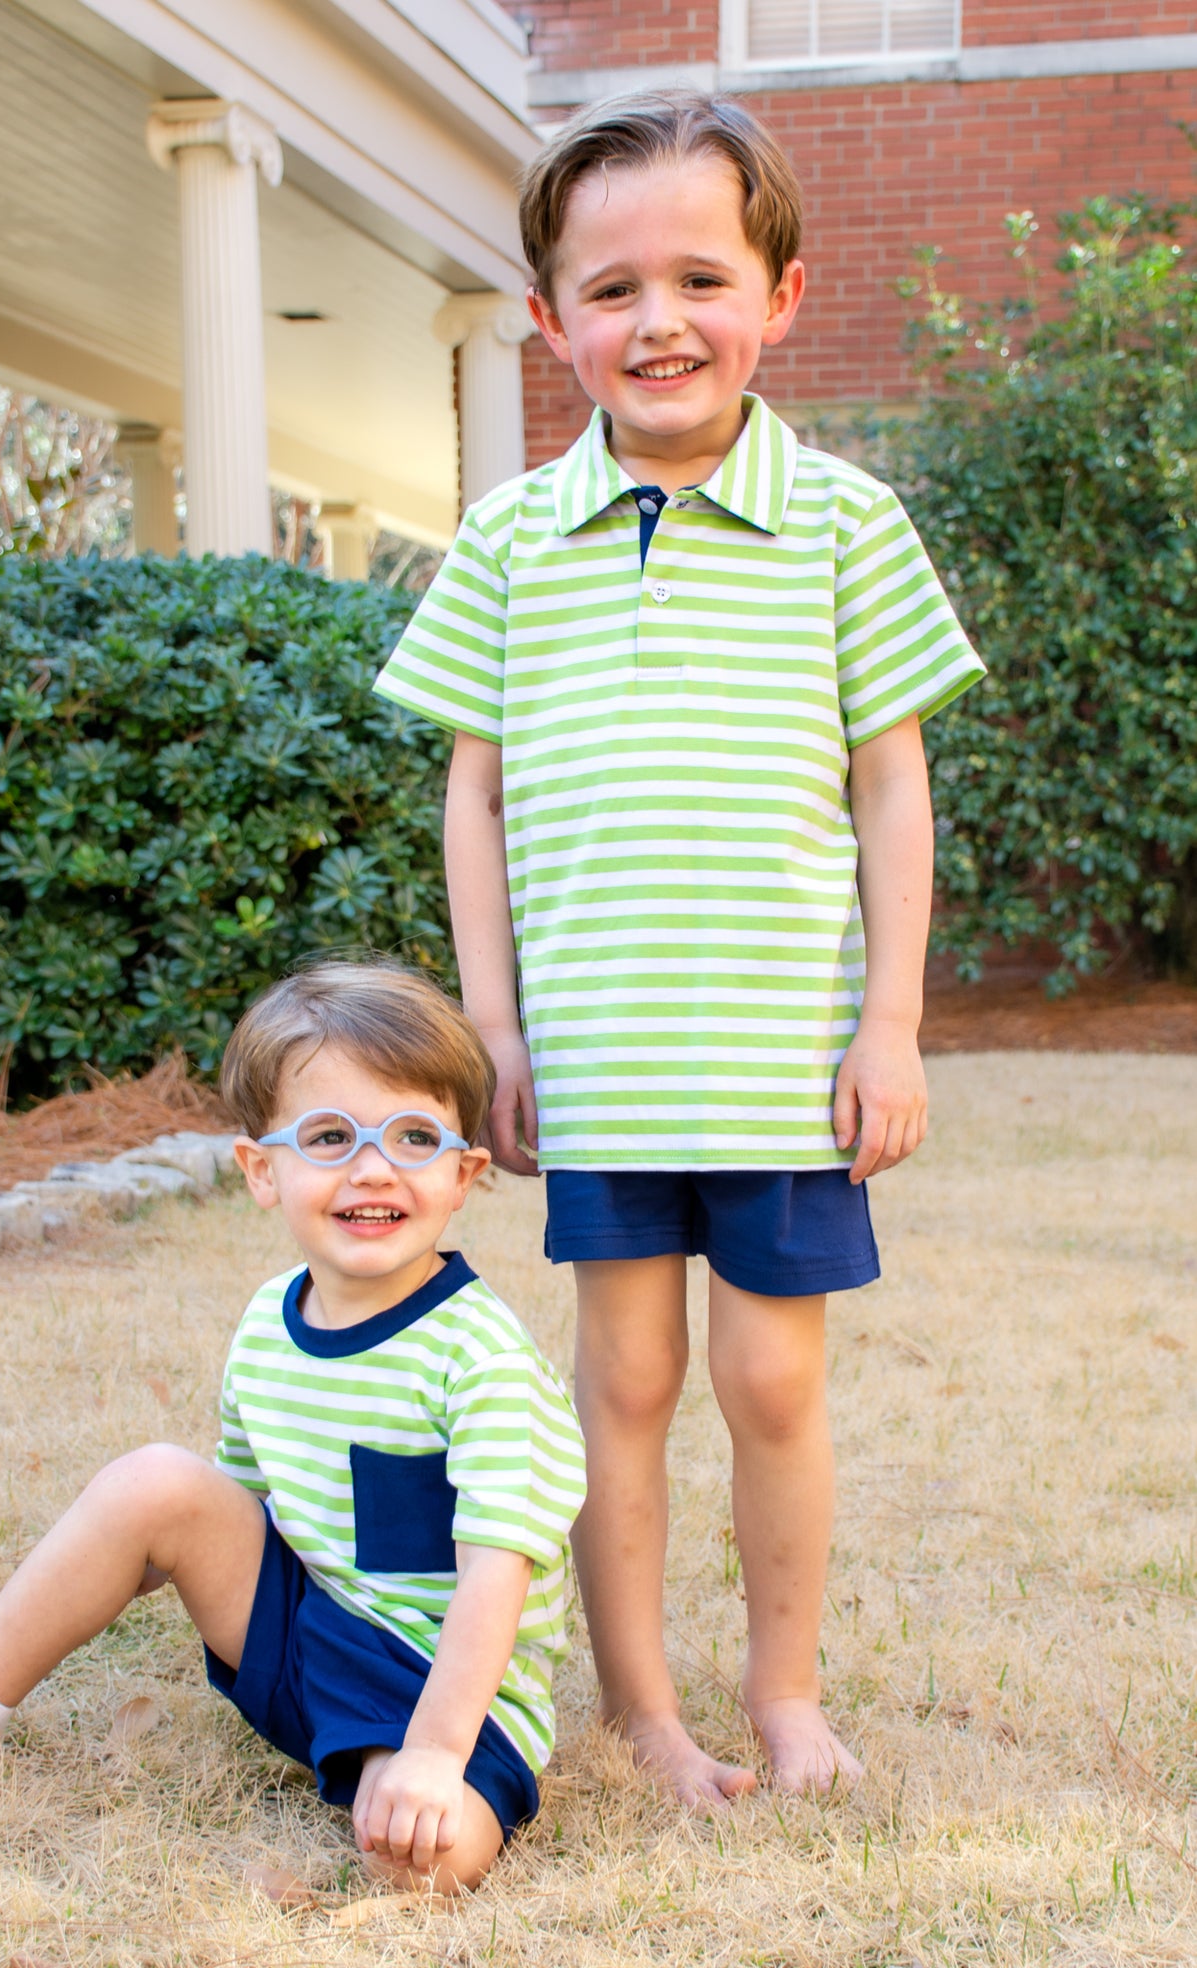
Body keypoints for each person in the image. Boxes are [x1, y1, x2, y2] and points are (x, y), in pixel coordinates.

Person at [373, 91, 984, 1808]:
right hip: (598, 1053)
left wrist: (895, 1023)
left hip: (782, 1059)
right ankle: (645, 1704)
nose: (659, 321)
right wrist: (492, 1027)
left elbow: (891, 787)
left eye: (702, 277)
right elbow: (473, 796)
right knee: (621, 1380)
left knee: (772, 1379)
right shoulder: (508, 537)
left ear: (780, 298)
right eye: (612, 287)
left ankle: (782, 1693)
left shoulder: (850, 524)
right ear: (551, 316)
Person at [0, 962, 587, 1895]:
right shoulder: (269, 1322)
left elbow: (496, 1574)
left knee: (424, 1865)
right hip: (310, 1641)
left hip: (453, 1689)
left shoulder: (482, 1358)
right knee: (153, 1480)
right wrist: (113, 1550)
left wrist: (437, 1752)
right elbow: (236, 1511)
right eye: (328, 1136)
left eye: (412, 1137)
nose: (372, 1168)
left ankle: (393, 1775)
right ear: (259, 1171)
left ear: (464, 1173)